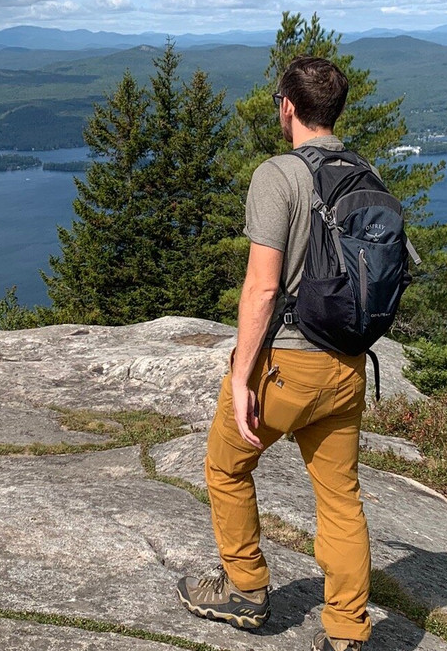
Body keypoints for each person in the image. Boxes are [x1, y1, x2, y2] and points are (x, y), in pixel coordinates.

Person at [176, 56, 372, 651]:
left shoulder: (277, 175)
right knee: (340, 498)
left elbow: (262, 287)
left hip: (287, 365)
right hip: (348, 364)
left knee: (226, 465)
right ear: (335, 110)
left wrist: (241, 375)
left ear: (287, 107)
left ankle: (245, 589)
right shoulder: (364, 176)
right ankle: (346, 633)